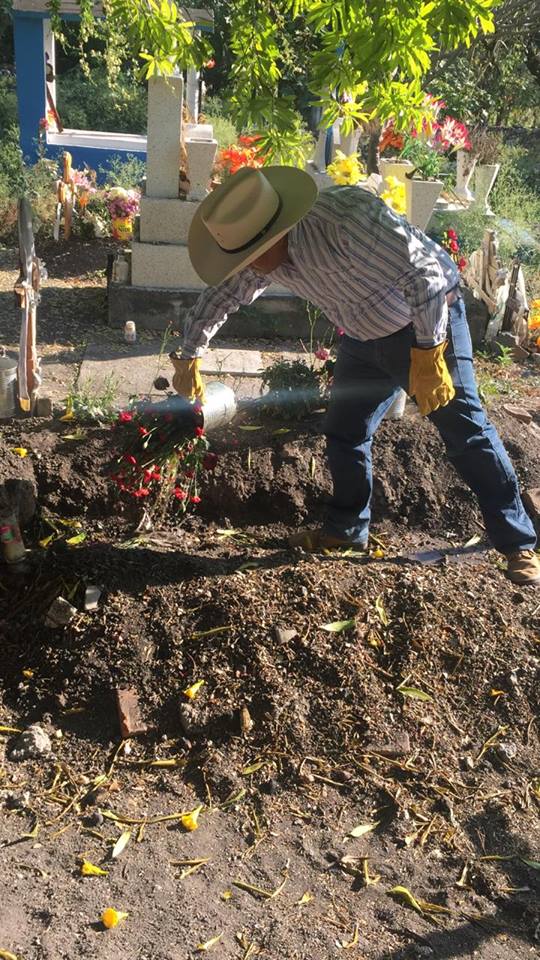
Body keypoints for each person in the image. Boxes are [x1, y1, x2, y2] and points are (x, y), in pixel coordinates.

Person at [173, 166, 539, 586]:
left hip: (425, 318)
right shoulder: (258, 256)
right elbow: (223, 294)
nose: (251, 266)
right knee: (345, 432)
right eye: (242, 257)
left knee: (464, 430)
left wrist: (428, 351)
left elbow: (427, 276)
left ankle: (519, 544)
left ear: (278, 228)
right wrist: (188, 354)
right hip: (364, 336)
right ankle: (347, 531)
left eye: (255, 253)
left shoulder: (347, 223)